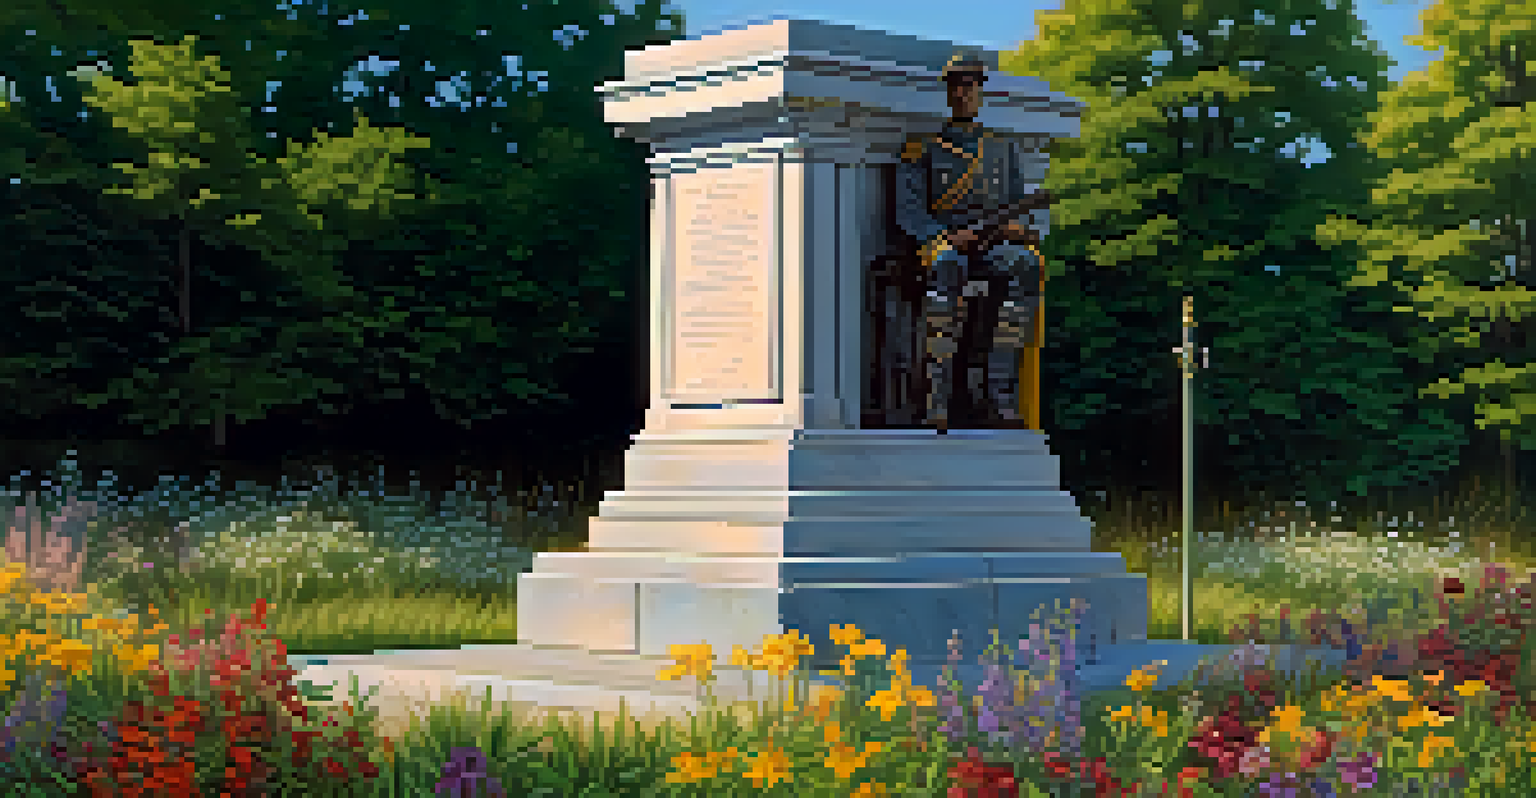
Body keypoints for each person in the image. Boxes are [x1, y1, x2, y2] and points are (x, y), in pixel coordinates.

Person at [895, 51, 1053, 431]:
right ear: (948, 94)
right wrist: (945, 237)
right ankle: (937, 396)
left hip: (990, 246)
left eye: (972, 87)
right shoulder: (924, 149)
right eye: (958, 87)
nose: (965, 94)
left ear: (981, 93)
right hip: (944, 246)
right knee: (948, 266)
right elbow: (908, 211)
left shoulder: (1001, 149)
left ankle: (999, 395)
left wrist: (1014, 229)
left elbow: (1016, 207)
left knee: (1025, 264)